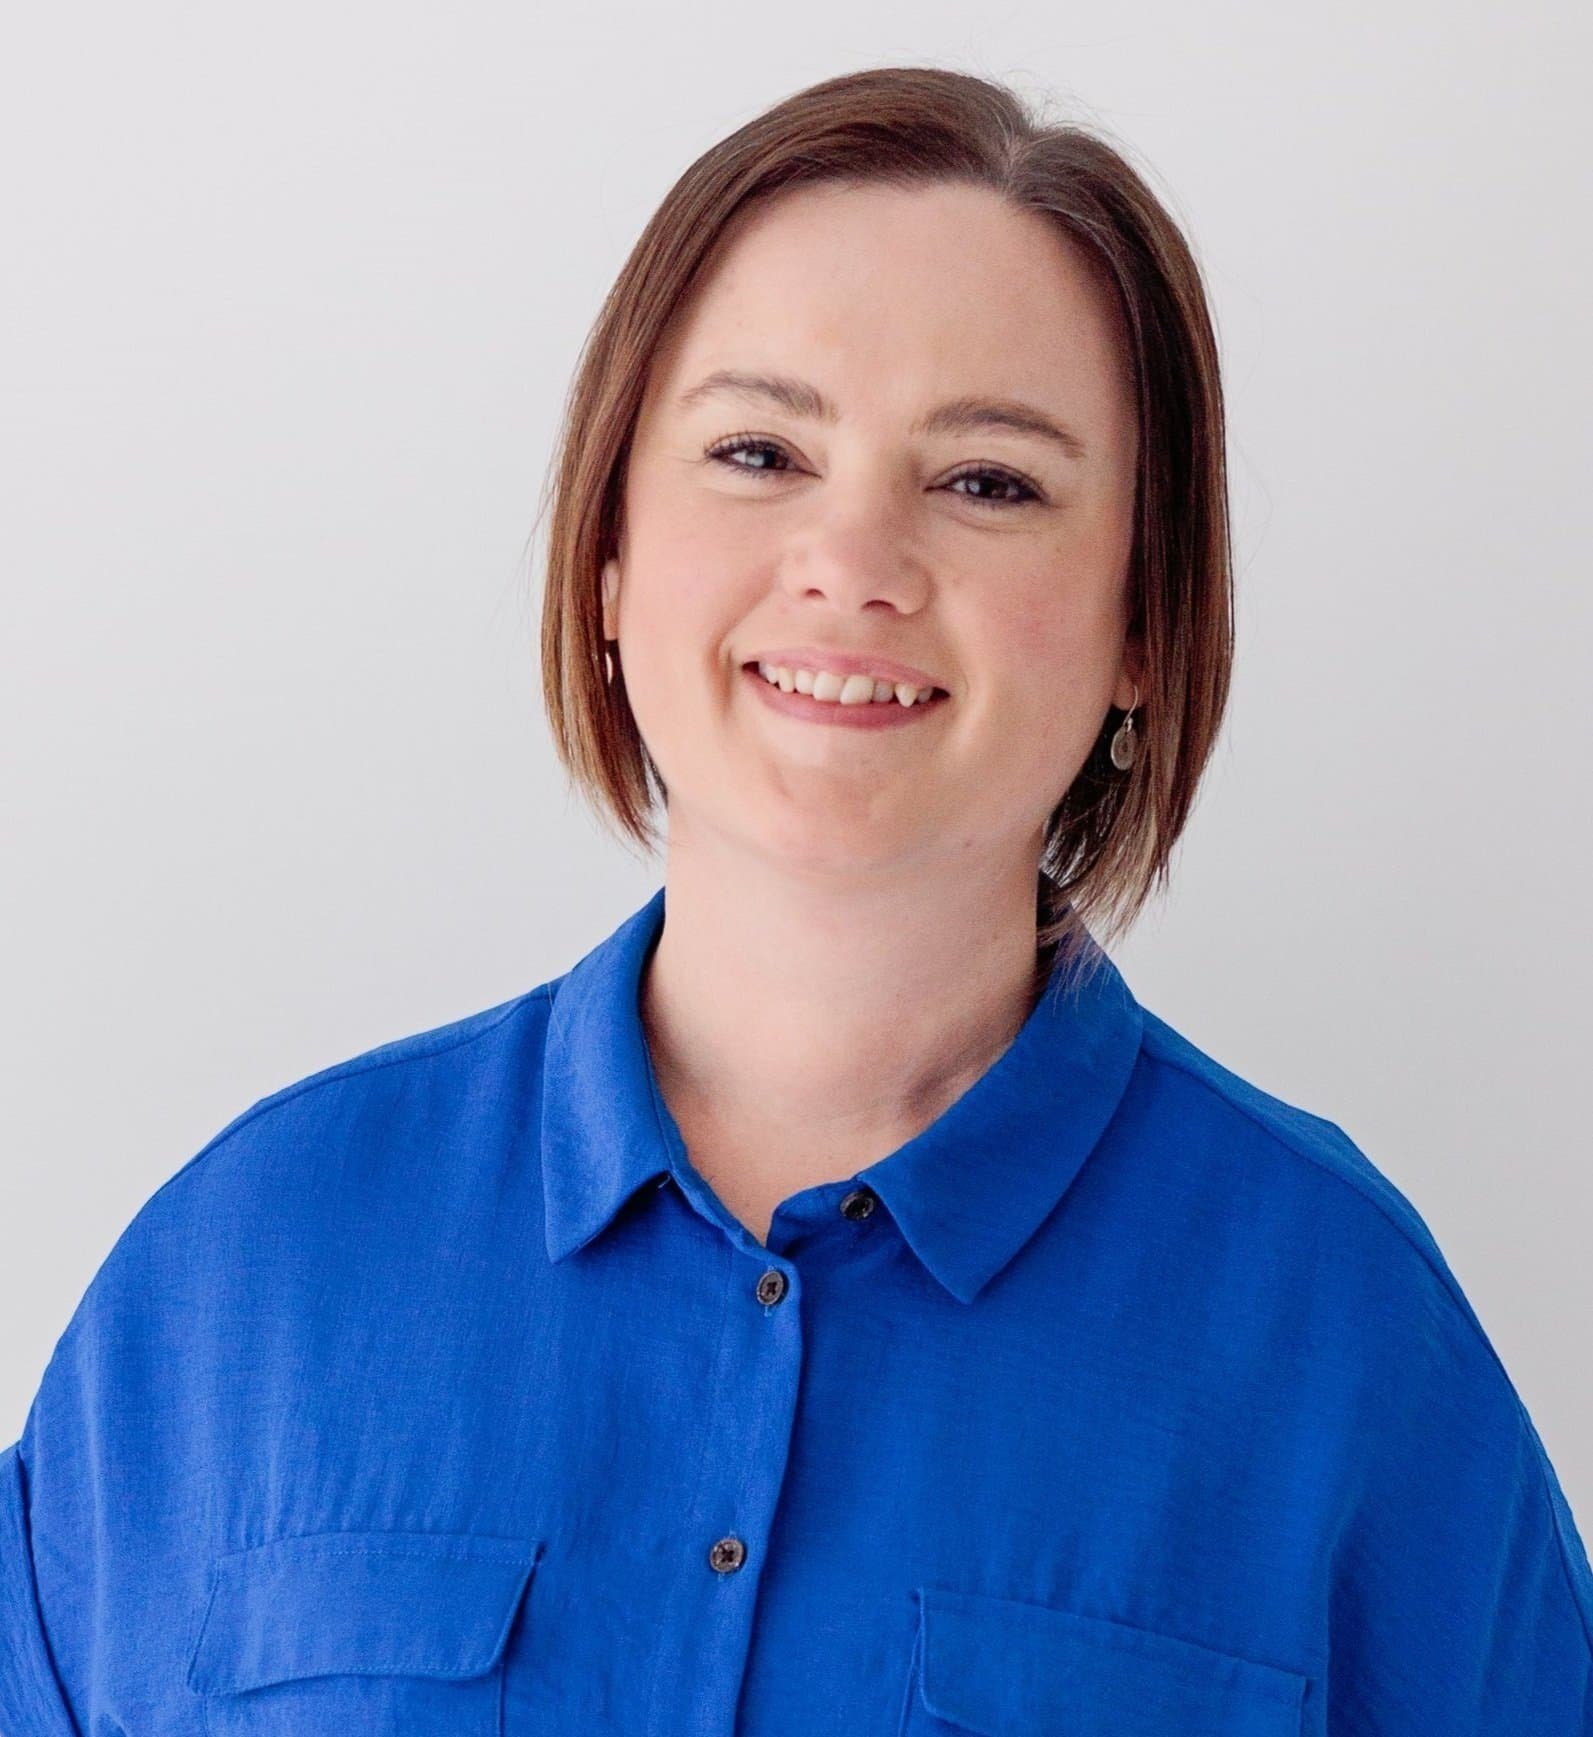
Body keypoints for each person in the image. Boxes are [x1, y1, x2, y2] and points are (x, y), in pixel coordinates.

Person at [3, 64, 1590, 1737]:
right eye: (757, 450)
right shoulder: (249, 1266)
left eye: (988, 480)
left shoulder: (1344, 1338)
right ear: (609, 559)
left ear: (1143, 621)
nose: (852, 559)